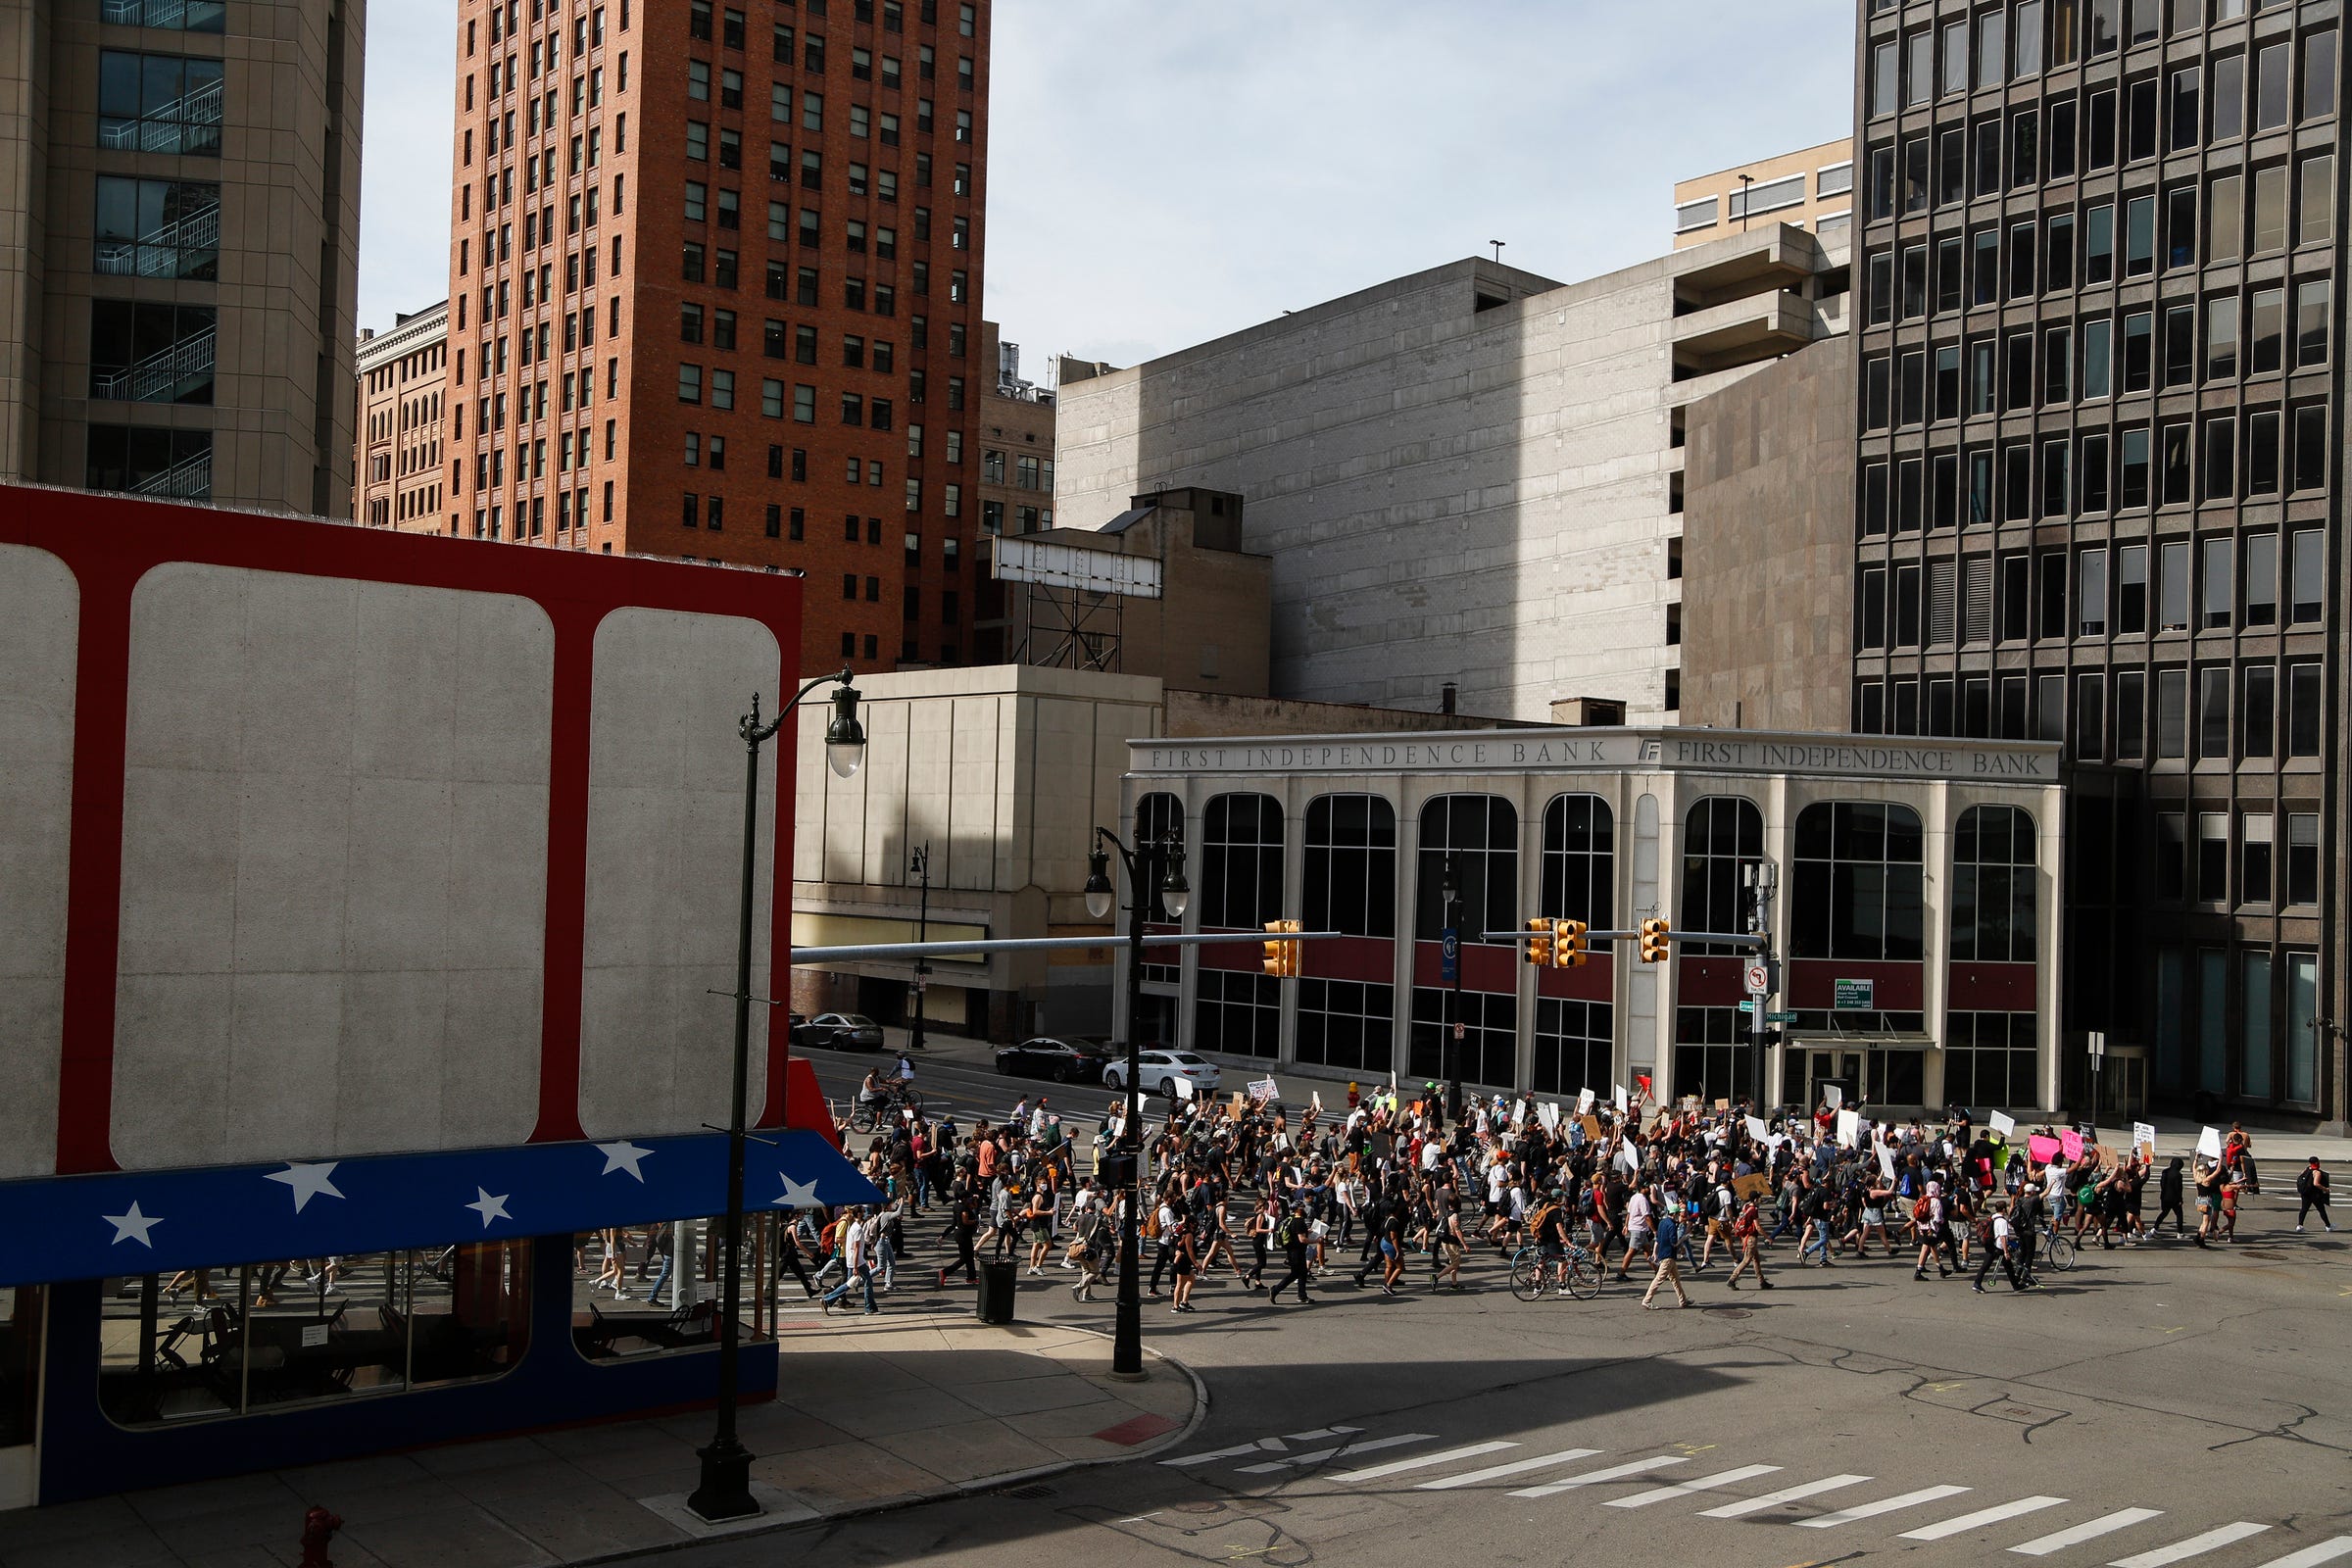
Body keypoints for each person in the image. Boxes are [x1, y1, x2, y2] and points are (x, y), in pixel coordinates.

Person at [1641, 1197, 1691, 1309]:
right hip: (1668, 1256)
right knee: (1659, 1279)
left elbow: (1657, 1239)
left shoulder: (1663, 1222)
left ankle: (1683, 1300)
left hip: (1665, 1255)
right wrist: (1684, 1238)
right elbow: (1674, 1243)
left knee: (1675, 1279)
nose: (1679, 1215)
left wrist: (1655, 1253)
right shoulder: (1672, 1226)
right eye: (1678, 1213)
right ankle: (1647, 1300)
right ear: (1675, 1214)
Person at [1266, 1203, 1315, 1305]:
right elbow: (1302, 1239)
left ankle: (1302, 1295)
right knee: (1295, 1274)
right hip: (1297, 1252)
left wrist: (1308, 1231)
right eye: (1302, 1207)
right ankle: (1276, 1289)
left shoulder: (1290, 1219)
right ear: (1298, 1210)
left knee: (1303, 1272)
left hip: (1291, 1251)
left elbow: (1296, 1233)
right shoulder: (1299, 1221)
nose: (1304, 1209)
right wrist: (1316, 1240)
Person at [1725, 1200, 1773, 1291]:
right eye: (1759, 1198)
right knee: (1746, 1260)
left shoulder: (1746, 1206)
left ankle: (1762, 1281)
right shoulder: (1753, 1210)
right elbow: (1757, 1227)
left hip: (1745, 1237)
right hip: (1751, 1238)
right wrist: (1768, 1237)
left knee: (1756, 1260)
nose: (1760, 1200)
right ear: (1755, 1199)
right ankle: (1732, 1279)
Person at [2296, 1156, 2335, 1232]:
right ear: (2317, 1162)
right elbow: (2316, 1184)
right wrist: (2325, 1189)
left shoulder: (2307, 1169)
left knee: (2304, 1209)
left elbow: (2301, 1177)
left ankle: (2300, 1225)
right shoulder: (2317, 1172)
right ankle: (2328, 1226)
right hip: (2314, 1194)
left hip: (2305, 1193)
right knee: (2321, 1210)